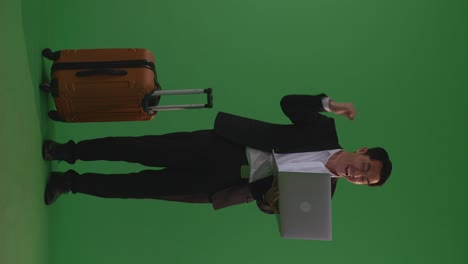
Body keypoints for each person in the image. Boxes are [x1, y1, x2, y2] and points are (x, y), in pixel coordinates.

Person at [42, 93, 392, 214]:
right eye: (364, 166)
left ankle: (68, 182)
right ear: (361, 151)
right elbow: (289, 103)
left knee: (140, 186)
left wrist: (273, 206)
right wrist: (329, 105)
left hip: (224, 183)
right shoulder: (323, 130)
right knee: (137, 148)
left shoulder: (325, 195)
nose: (357, 175)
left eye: (364, 179)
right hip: (224, 145)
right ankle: (67, 151)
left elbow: (268, 205)